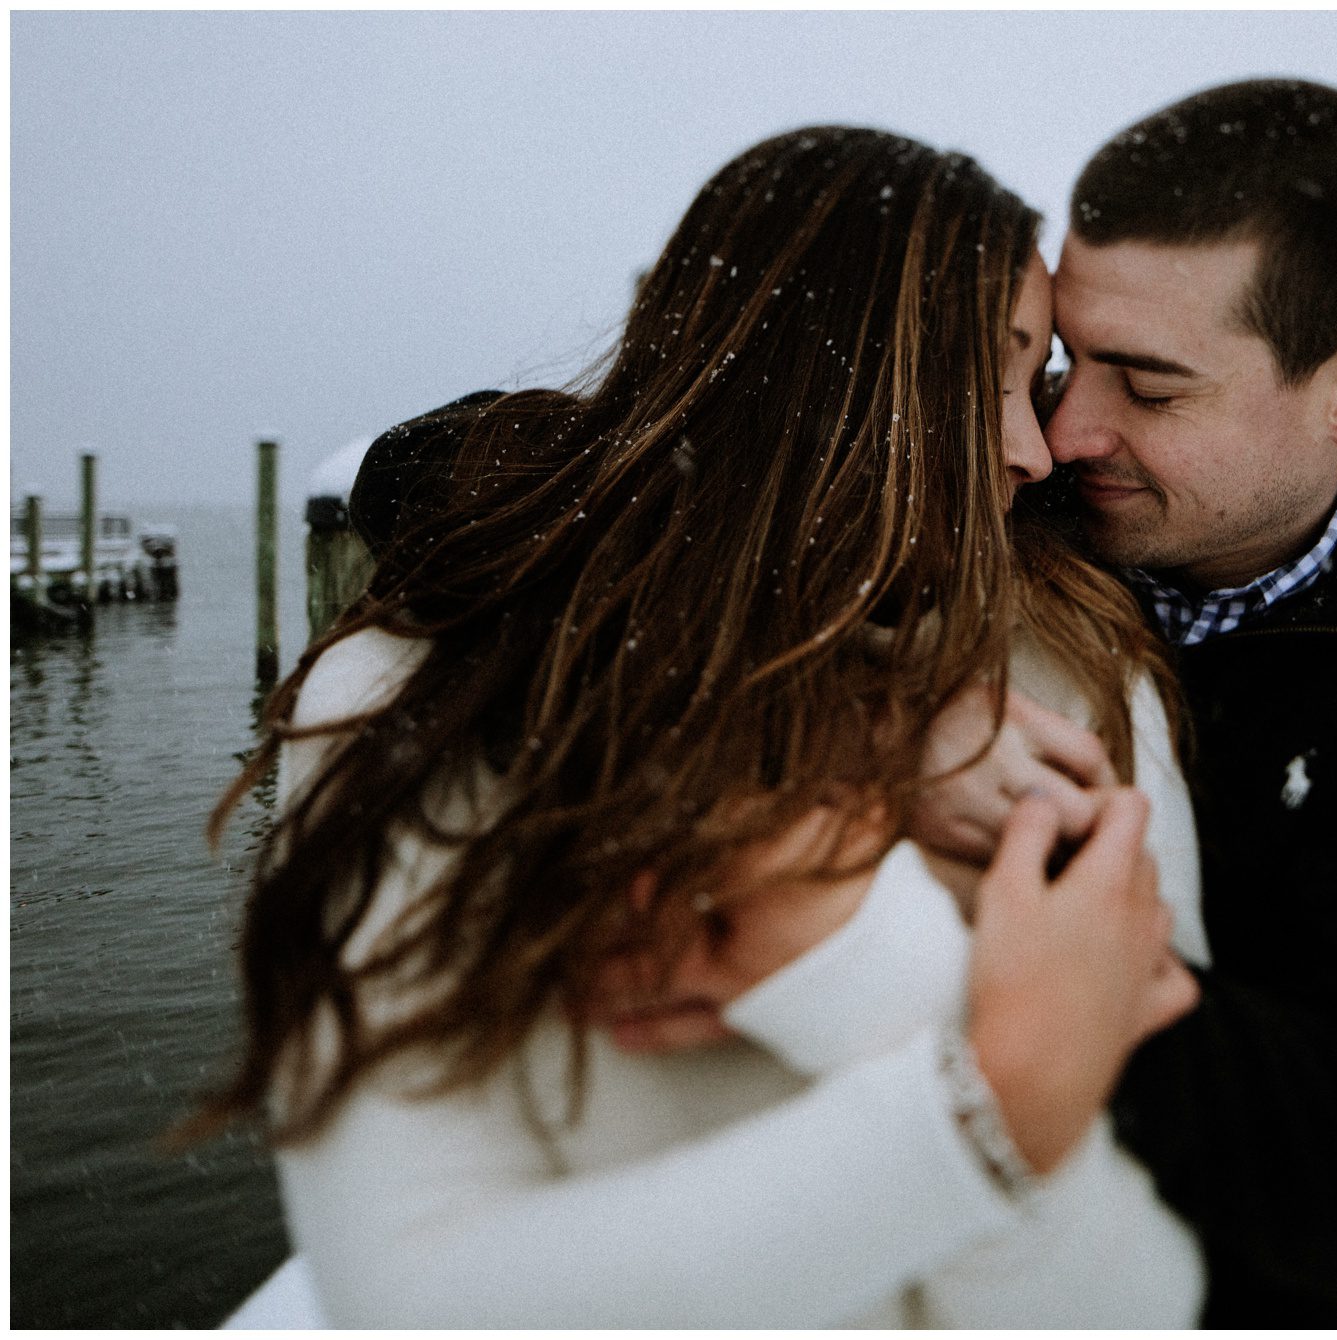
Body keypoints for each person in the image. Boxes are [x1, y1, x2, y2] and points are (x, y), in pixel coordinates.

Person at [193, 126, 1205, 1328]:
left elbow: (1138, 1300)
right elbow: (408, 1294)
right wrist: (977, 1117)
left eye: (1030, 387)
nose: (1030, 450)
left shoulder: (1066, 677)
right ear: (814, 379)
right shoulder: (407, 691)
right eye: (985, 375)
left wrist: (863, 965)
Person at [914, 79, 1337, 1326]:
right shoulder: (999, 472)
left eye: (1151, 389)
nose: (1066, 431)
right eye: (1067, 359)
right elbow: (510, 477)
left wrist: (1093, 969)